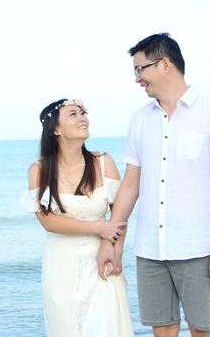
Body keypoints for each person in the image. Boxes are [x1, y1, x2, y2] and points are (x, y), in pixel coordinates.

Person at [97, 33, 210, 337]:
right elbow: (129, 187)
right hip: (150, 249)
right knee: (162, 329)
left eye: (141, 69)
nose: (137, 79)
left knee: (202, 330)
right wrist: (111, 241)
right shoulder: (140, 120)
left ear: (165, 64)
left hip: (199, 247)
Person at [19, 98, 134, 337]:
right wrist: (97, 227)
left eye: (83, 112)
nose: (83, 117)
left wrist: (115, 251)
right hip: (61, 265)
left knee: (108, 327)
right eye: (73, 114)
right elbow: (48, 221)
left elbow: (119, 214)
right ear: (56, 129)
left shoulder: (103, 162)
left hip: (102, 259)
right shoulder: (38, 170)